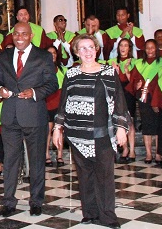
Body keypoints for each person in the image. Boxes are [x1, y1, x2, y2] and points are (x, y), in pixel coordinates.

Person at [53, 34, 130, 229]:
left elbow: (120, 101)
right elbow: (63, 104)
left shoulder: (108, 72)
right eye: (82, 48)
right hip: (77, 134)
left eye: (90, 47)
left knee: (104, 176)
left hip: (102, 133)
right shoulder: (71, 74)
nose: (87, 52)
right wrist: (57, 129)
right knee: (84, 175)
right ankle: (90, 213)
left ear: (97, 49)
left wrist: (121, 128)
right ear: (77, 52)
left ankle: (107, 216)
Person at [0, 22, 58, 217]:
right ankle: (9, 202)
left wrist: (35, 92)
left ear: (30, 36)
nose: (19, 38)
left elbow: (52, 84)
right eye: (16, 34)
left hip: (34, 115)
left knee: (37, 160)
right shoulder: (4, 55)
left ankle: (36, 201)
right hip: (10, 115)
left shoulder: (43, 56)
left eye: (23, 34)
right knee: (10, 160)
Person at [126, 39, 162, 164]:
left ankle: (158, 153)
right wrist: (137, 85)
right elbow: (133, 80)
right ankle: (149, 154)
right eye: (147, 48)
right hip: (144, 98)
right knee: (147, 126)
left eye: (152, 47)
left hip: (158, 97)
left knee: (159, 126)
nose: (150, 50)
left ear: (156, 49)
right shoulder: (139, 63)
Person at [106, 39, 136, 163]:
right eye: (121, 46)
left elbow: (134, 81)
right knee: (119, 122)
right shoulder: (112, 62)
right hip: (117, 95)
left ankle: (132, 151)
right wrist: (115, 72)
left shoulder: (135, 62)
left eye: (126, 46)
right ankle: (124, 148)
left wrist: (127, 71)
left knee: (130, 123)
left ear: (130, 48)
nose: (123, 48)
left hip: (128, 94)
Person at [45, 46, 67, 167]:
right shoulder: (42, 69)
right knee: (48, 130)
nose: (52, 55)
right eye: (50, 53)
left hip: (60, 102)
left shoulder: (63, 70)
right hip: (47, 102)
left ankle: (59, 155)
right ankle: (46, 155)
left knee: (59, 129)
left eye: (54, 53)